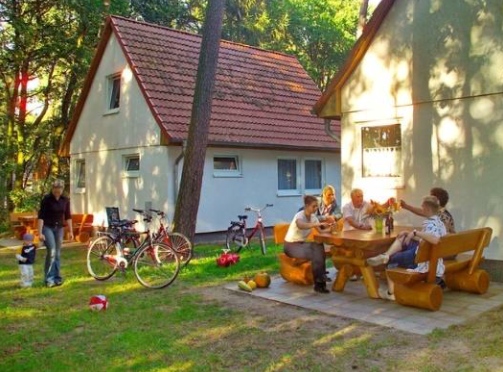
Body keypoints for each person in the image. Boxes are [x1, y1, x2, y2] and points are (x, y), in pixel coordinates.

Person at [366, 195, 447, 300]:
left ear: (427, 209)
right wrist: (409, 233)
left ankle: (391, 293)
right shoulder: (439, 222)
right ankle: (385, 255)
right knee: (403, 236)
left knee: (391, 261)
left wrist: (415, 232)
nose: (421, 210)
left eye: (422, 208)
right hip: (428, 255)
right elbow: (427, 240)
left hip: (422, 261)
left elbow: (435, 240)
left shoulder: (432, 224)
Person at [284, 195, 334, 294]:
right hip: (290, 246)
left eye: (317, 206)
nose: (316, 209)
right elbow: (301, 225)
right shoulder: (300, 215)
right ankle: (320, 280)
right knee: (316, 252)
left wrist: (331, 229)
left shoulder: (313, 217)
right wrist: (315, 224)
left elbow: (321, 231)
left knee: (318, 245)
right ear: (307, 205)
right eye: (314, 206)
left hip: (301, 245)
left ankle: (320, 279)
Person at [37, 179, 73, 287]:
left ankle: (57, 278)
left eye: (59, 189)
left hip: (59, 229)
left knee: (57, 253)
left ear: (62, 189)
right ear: (52, 189)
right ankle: (49, 279)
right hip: (47, 228)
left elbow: (68, 216)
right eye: (55, 189)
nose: (57, 191)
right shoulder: (46, 200)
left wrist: (71, 231)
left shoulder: (65, 200)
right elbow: (41, 217)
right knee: (51, 252)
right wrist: (40, 233)